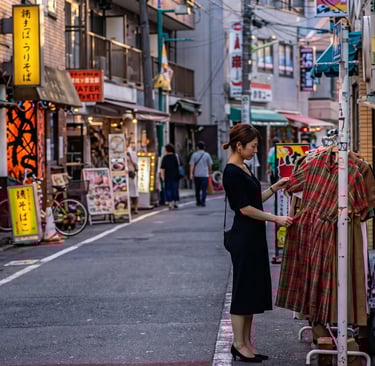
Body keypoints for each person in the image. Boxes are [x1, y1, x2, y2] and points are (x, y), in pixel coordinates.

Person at [222, 123, 293, 362]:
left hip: (253, 236)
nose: (255, 151)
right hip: (244, 236)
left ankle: (247, 343)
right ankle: (239, 344)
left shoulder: (244, 166)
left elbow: (255, 200)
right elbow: (244, 208)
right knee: (243, 291)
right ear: (239, 145)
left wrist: (274, 187)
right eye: (252, 147)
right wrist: (276, 218)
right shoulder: (231, 171)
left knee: (251, 290)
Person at [189, 141, 213, 207]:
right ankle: (203, 201)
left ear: (197, 147)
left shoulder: (194, 155)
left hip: (197, 174)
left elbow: (192, 165)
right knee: (204, 189)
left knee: (197, 189)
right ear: (204, 147)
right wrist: (210, 172)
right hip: (205, 175)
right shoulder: (207, 155)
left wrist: (191, 173)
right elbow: (210, 165)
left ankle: (198, 201)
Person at [160, 144, 180, 209]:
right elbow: (179, 165)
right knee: (175, 189)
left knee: (168, 189)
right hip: (175, 175)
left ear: (166, 150)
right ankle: (175, 202)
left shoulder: (165, 158)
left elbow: (162, 168)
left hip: (167, 176)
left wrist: (162, 176)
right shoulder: (176, 156)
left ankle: (170, 203)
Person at [126, 138, 139, 214]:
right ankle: (128, 207)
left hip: (131, 173)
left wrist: (130, 157)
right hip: (123, 173)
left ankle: (135, 207)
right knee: (126, 191)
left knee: (134, 191)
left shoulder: (132, 153)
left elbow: (136, 165)